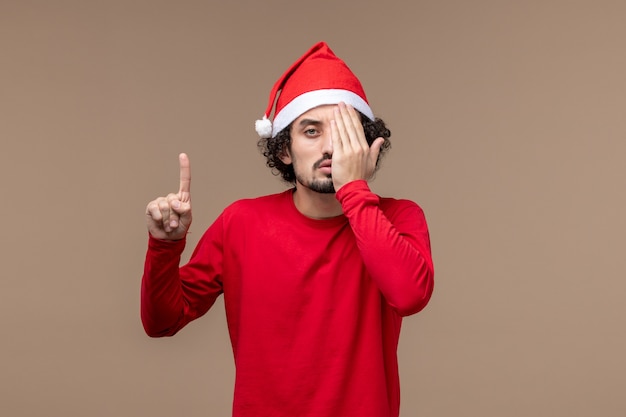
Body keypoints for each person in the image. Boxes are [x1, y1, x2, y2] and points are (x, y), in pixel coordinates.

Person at [141, 41, 434, 417]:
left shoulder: (398, 217)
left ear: (365, 144)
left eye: (345, 133)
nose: (331, 147)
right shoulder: (241, 223)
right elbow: (162, 321)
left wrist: (355, 190)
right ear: (284, 149)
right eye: (312, 132)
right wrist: (166, 246)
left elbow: (410, 295)